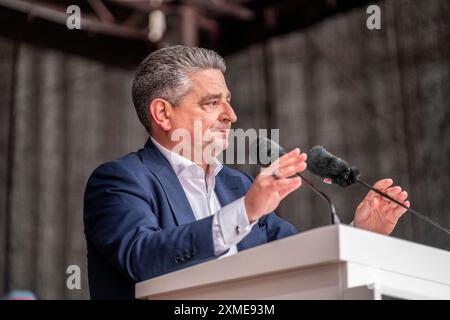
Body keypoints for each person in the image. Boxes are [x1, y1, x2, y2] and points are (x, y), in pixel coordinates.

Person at [83, 45, 410, 299]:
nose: (232, 115)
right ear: (163, 114)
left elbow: (299, 264)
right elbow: (142, 259)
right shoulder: (119, 180)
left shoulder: (237, 185)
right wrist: (243, 212)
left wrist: (360, 236)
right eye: (212, 103)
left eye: (228, 101)